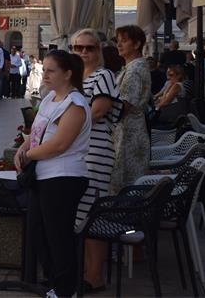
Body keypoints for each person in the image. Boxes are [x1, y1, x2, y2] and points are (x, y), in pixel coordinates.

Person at [13, 50, 91, 298]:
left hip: (63, 177)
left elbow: (60, 144)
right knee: (40, 234)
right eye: (44, 69)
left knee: (59, 237)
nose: (44, 74)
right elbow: (36, 132)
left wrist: (29, 156)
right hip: (43, 176)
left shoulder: (75, 104)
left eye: (51, 70)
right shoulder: (49, 99)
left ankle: (66, 289)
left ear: (67, 74)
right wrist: (23, 148)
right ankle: (54, 284)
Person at [71, 29, 121, 293]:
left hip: (96, 151)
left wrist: (67, 127)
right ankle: (84, 271)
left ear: (98, 51)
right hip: (77, 151)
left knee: (92, 212)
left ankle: (95, 276)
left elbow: (100, 110)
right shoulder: (76, 78)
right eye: (78, 48)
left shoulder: (103, 75)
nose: (83, 52)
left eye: (89, 48)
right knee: (81, 210)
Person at [110, 25, 151, 195]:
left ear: (137, 44)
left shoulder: (134, 70)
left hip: (128, 132)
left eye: (124, 41)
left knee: (126, 181)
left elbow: (123, 106)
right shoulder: (134, 66)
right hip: (132, 129)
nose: (119, 45)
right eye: (118, 41)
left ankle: (122, 217)